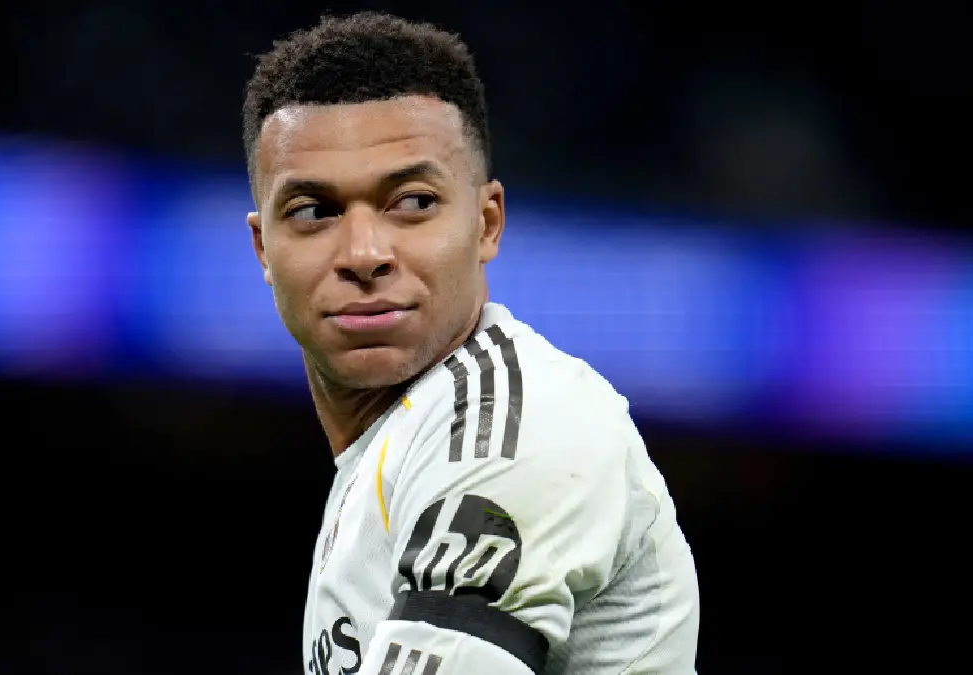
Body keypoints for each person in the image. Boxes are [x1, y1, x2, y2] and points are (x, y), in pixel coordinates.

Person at [242, 12, 699, 674]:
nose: (365, 253)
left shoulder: (510, 424)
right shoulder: (403, 440)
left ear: (487, 224)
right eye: (315, 212)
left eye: (413, 202)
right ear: (264, 246)